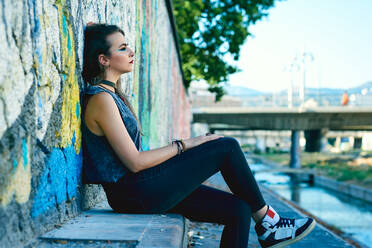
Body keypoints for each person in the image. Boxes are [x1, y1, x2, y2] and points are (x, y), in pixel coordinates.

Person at [81, 23, 316, 248]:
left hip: (141, 188)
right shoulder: (101, 99)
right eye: (122, 48)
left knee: (239, 209)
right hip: (133, 193)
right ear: (104, 59)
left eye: (128, 45)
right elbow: (134, 162)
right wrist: (187, 144)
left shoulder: (112, 95)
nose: (130, 51)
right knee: (227, 146)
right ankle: (268, 222)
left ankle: (265, 221)